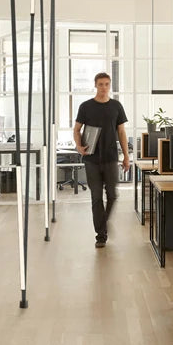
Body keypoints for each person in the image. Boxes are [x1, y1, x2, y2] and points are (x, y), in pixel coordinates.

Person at [73, 72, 130, 248]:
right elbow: (76, 130)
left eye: (106, 84)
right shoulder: (86, 106)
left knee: (112, 195)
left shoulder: (116, 106)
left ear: (110, 85)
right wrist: (78, 146)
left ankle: (102, 223)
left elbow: (121, 132)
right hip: (91, 159)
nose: (104, 87)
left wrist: (126, 156)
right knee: (96, 196)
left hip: (111, 158)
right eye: (100, 84)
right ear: (95, 85)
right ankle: (101, 235)